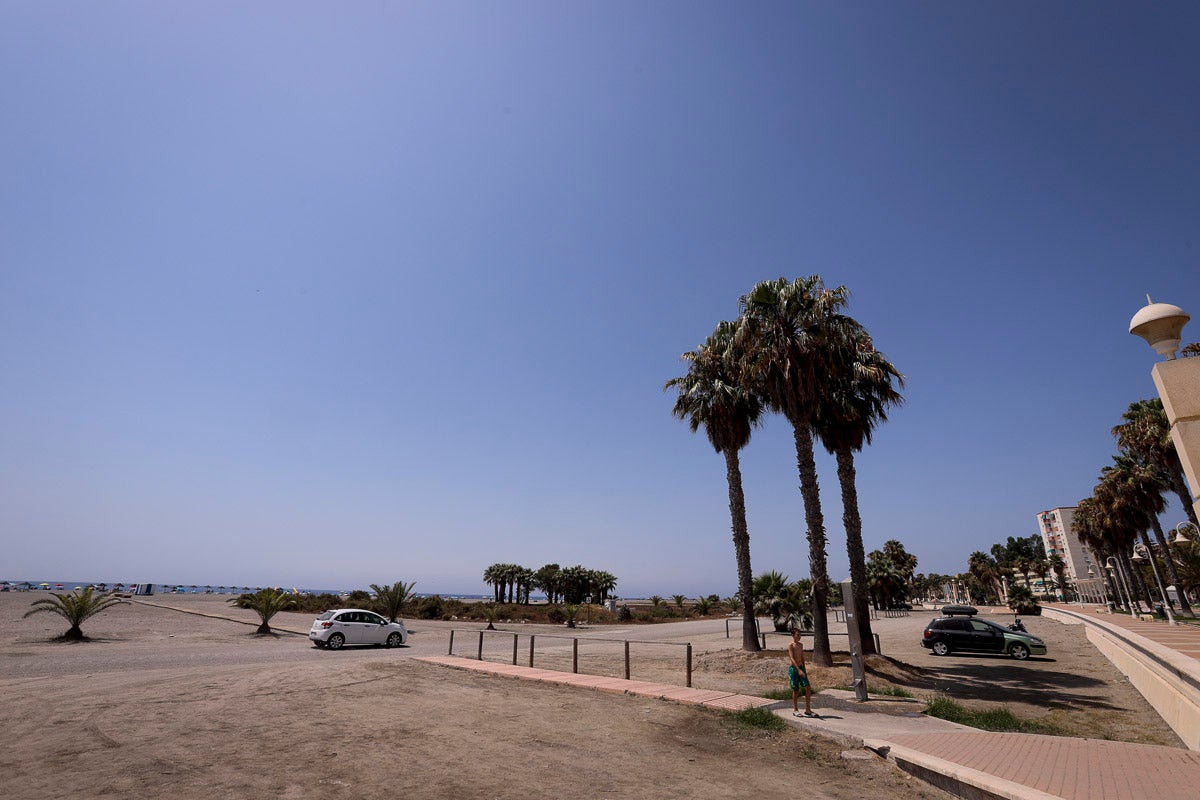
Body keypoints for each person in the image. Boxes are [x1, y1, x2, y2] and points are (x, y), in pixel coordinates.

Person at [788, 627, 815, 717]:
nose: (799, 636)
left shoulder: (800, 645)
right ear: (793, 635)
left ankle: (808, 710)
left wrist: (803, 669)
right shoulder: (791, 645)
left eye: (800, 635)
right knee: (796, 689)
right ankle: (795, 710)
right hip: (794, 669)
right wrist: (798, 670)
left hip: (801, 668)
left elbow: (802, 657)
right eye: (797, 635)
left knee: (808, 687)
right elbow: (792, 658)